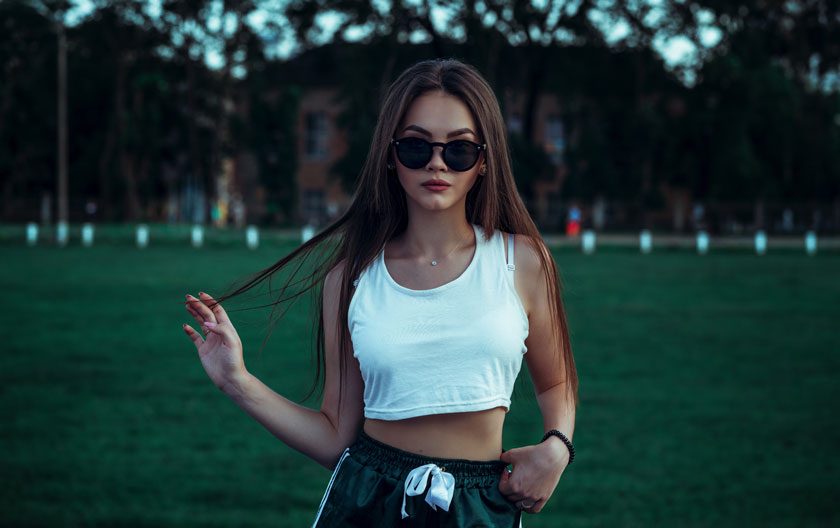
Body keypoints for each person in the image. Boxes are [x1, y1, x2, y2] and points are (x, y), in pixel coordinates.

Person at [182, 58, 578, 527]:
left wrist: (557, 448)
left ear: (484, 160)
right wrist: (237, 380)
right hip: (368, 502)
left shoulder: (522, 262)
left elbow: (555, 383)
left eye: (459, 149)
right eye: (416, 146)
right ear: (391, 155)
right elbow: (335, 437)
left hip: (479, 507)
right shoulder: (350, 279)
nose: (436, 162)